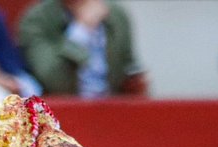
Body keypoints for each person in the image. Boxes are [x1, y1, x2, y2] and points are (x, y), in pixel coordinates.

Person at [17, 0, 147, 97]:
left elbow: (130, 68)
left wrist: (135, 82)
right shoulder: (37, 19)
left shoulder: (115, 14)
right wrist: (82, 30)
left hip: (112, 108)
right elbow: (55, 82)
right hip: (63, 112)